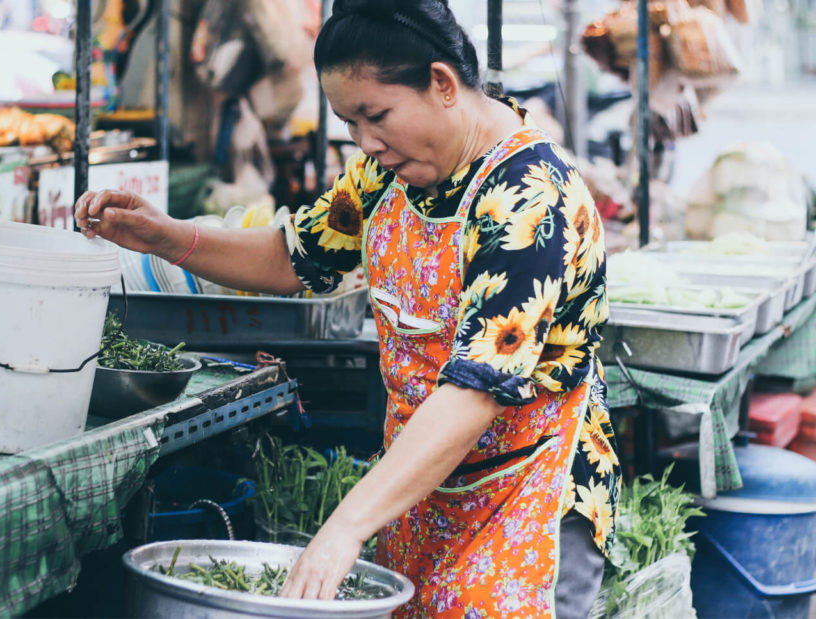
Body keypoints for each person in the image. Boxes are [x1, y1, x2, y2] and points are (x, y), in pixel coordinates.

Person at [76, 0, 620, 616]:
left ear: (442, 83)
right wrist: (170, 239)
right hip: (420, 487)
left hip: (524, 491)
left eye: (376, 116)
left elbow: (475, 391)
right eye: (351, 124)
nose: (367, 143)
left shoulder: (528, 198)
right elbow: (295, 257)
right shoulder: (388, 174)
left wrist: (343, 527)